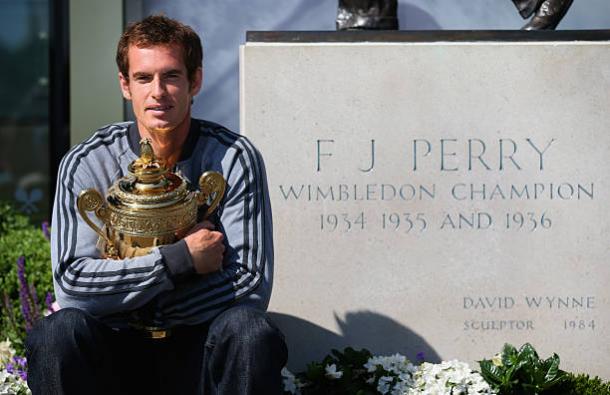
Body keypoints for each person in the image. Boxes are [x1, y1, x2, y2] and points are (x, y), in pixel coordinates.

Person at [26, 15, 287, 395]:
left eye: (171, 76)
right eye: (144, 78)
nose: (158, 92)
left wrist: (128, 290)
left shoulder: (233, 157)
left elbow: (249, 284)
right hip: (112, 351)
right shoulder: (86, 162)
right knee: (57, 333)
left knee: (249, 332)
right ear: (125, 85)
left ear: (195, 81)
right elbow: (72, 285)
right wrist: (180, 260)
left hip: (201, 349)